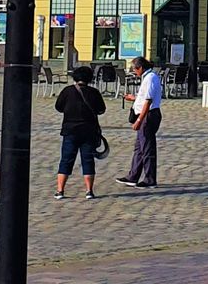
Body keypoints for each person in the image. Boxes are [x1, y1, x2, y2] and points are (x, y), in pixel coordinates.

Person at [54, 65, 107, 200]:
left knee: (66, 160)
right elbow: (101, 110)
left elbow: (58, 107)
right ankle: (89, 191)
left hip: (70, 130)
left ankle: (60, 191)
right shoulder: (94, 92)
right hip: (89, 131)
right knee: (88, 160)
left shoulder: (67, 91)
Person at [117, 56, 163, 188]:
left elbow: (148, 101)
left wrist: (139, 120)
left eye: (134, 69)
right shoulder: (147, 78)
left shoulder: (150, 78)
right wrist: (135, 98)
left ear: (141, 68)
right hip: (145, 114)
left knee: (147, 148)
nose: (134, 72)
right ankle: (133, 176)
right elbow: (144, 97)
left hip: (148, 116)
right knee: (139, 148)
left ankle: (150, 179)